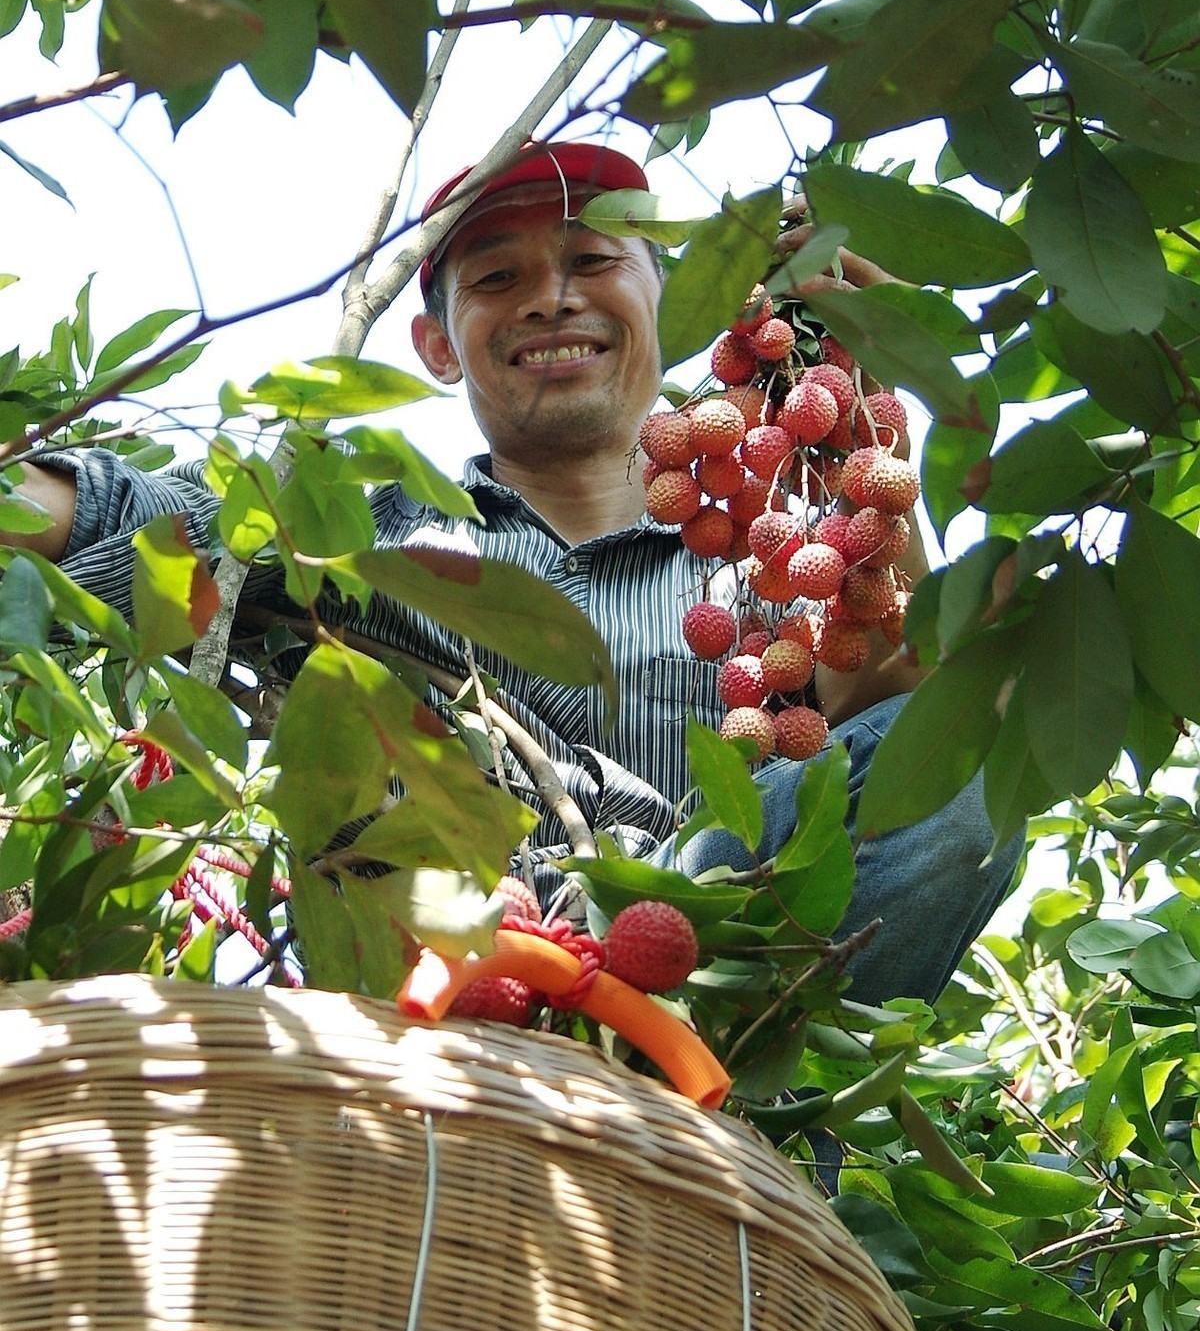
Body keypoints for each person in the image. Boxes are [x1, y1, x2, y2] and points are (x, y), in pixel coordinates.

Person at [12, 140, 1020, 1008]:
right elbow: (120, 515)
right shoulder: (361, 530)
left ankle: (712, 1084)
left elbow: (895, 713)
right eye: (497, 279)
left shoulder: (758, 556)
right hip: (464, 999)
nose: (551, 297)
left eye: (591, 259)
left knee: (976, 750)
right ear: (436, 347)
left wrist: (861, 420)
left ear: (673, 306)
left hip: (716, 970)